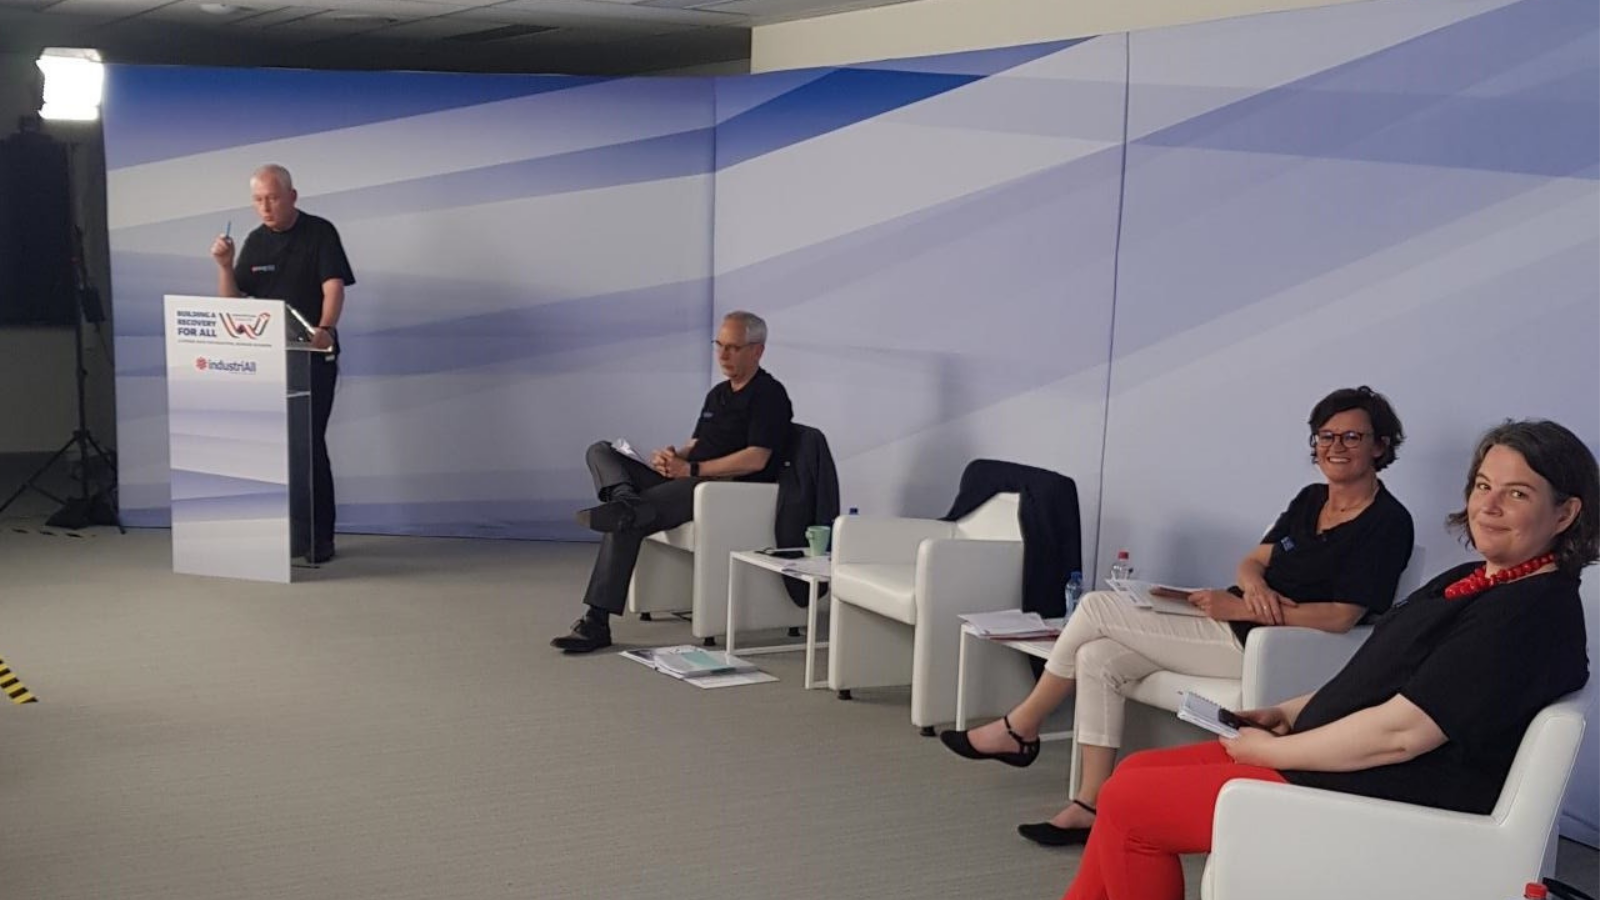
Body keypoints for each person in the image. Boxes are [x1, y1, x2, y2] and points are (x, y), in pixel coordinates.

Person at [1057, 418, 1595, 900]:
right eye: (1482, 486)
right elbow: (1381, 676)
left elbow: (1402, 734)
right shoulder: (1477, 580)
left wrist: (1273, 752)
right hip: (1342, 764)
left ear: (1565, 513)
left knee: (1132, 804)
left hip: (1381, 794)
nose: (1488, 506)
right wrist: (1286, 713)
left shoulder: (1529, 612)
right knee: (1131, 774)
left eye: (1516, 493)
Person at [940, 386, 1415, 846]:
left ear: (1380, 446)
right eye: (1326, 436)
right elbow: (1253, 561)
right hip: (1234, 622)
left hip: (1274, 649)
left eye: (1351, 436)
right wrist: (1252, 585)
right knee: (1098, 657)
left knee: (1097, 606)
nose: (1336, 446)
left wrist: (1245, 607)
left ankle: (1020, 727)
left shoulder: (1388, 522)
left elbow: (1341, 617)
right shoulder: (1312, 499)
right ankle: (1091, 805)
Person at [551, 311, 793, 654]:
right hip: (689, 478)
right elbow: (696, 443)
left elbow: (757, 458)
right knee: (600, 451)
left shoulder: (769, 395)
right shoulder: (718, 394)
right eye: (719, 345)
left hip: (721, 491)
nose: (723, 355)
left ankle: (596, 622)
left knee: (628, 519)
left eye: (733, 348)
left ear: (757, 350)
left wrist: (691, 469)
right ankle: (625, 497)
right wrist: (673, 456)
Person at [209, 164, 354, 564]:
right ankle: (285, 534)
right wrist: (225, 266)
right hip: (268, 359)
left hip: (312, 356)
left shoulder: (319, 232)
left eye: (273, 198)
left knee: (308, 443)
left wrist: (326, 327)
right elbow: (233, 305)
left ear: (292, 196)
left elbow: (333, 286)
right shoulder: (255, 241)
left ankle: (318, 538)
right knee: (275, 446)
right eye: (258, 200)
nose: (266, 207)